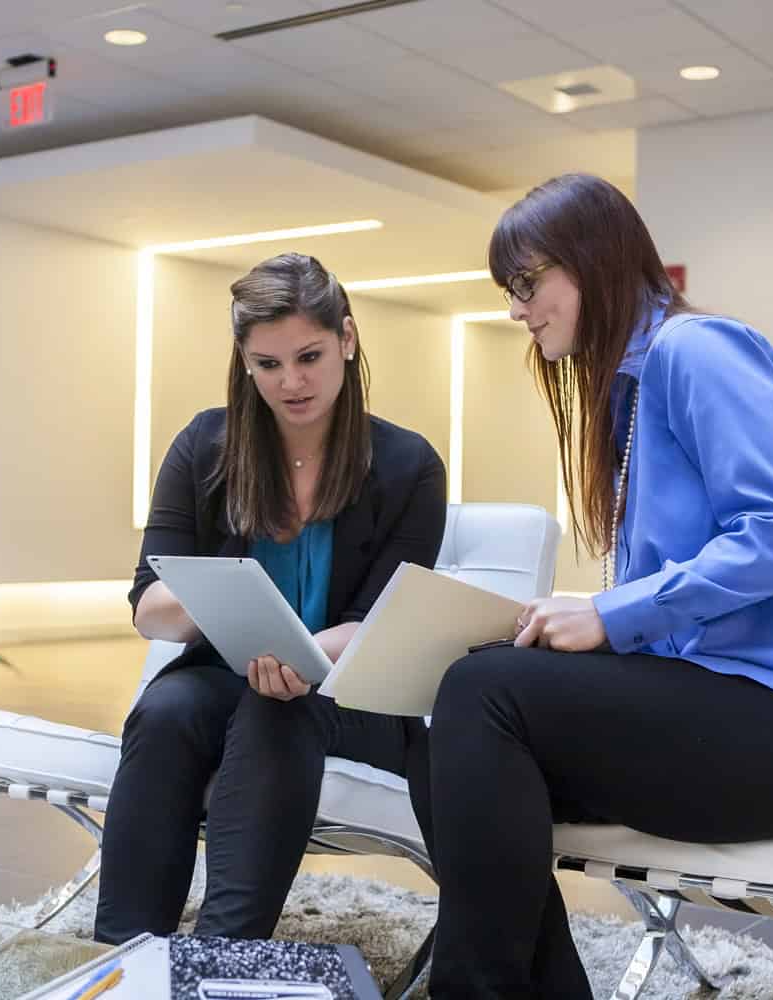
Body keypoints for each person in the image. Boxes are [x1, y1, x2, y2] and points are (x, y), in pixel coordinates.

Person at [418, 174, 773, 998]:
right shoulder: (631, 389)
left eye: (527, 283)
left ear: (591, 260)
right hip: (738, 711)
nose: (515, 310)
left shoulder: (696, 350)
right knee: (440, 747)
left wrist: (609, 614)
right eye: (509, 291)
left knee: (483, 692)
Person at [93, 252, 446, 944]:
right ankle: (123, 958)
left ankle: (220, 959)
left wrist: (298, 656)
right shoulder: (206, 445)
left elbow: (378, 624)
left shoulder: (409, 465)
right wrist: (218, 599)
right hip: (224, 674)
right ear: (245, 361)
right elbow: (148, 607)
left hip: (354, 694)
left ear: (347, 339)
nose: (292, 382)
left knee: (279, 703)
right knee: (165, 712)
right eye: (268, 364)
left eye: (309, 356)